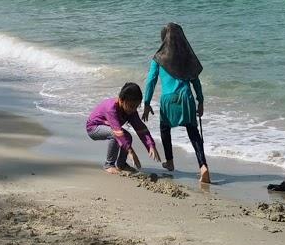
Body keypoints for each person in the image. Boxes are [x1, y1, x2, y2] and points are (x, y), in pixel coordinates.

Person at [142, 22, 209, 183]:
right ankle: (203, 167)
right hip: (186, 98)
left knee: (165, 129)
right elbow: (196, 82)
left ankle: (170, 162)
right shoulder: (187, 57)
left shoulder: (158, 58)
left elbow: (151, 81)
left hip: (168, 100)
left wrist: (146, 102)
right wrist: (200, 101)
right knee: (193, 133)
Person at [86, 83, 156, 174]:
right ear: (121, 100)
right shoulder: (111, 108)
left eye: (136, 106)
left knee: (128, 136)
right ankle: (109, 165)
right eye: (131, 106)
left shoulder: (131, 111)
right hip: (93, 128)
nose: (133, 109)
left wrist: (150, 145)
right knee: (115, 135)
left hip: (110, 128)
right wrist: (130, 151)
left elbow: (140, 128)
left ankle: (121, 164)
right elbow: (117, 132)